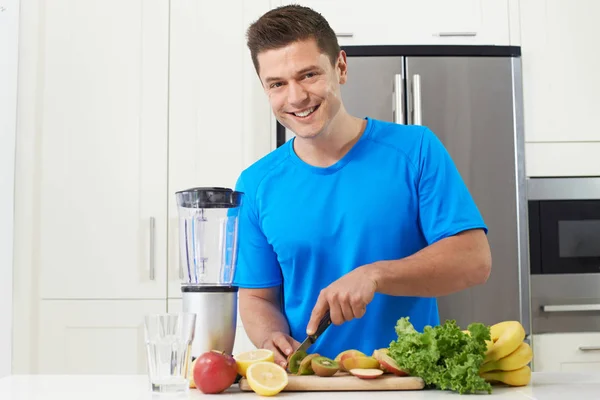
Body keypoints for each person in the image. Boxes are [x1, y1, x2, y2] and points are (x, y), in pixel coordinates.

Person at [232, 4, 492, 369]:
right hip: (312, 385)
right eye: (277, 84)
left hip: (407, 380)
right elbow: (258, 298)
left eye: (308, 75)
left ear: (340, 67)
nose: (295, 97)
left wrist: (375, 274)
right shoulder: (256, 184)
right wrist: (269, 337)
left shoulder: (415, 150)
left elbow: (475, 261)